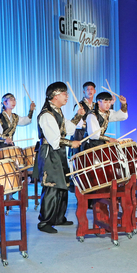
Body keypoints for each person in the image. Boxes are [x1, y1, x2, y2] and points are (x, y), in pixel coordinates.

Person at [32, 82, 81, 234]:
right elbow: (54, 139)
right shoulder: (46, 114)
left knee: (63, 184)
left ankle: (59, 217)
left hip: (58, 152)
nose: (67, 96)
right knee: (52, 187)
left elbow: (69, 128)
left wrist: (78, 116)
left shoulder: (57, 111)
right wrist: (70, 143)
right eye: (64, 93)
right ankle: (44, 222)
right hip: (49, 153)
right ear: (54, 96)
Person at [69, 82, 96, 157]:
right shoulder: (79, 105)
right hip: (80, 136)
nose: (90, 91)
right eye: (87, 89)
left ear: (95, 91)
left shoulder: (96, 106)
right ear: (84, 91)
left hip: (92, 136)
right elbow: (77, 125)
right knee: (81, 159)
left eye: (91, 89)